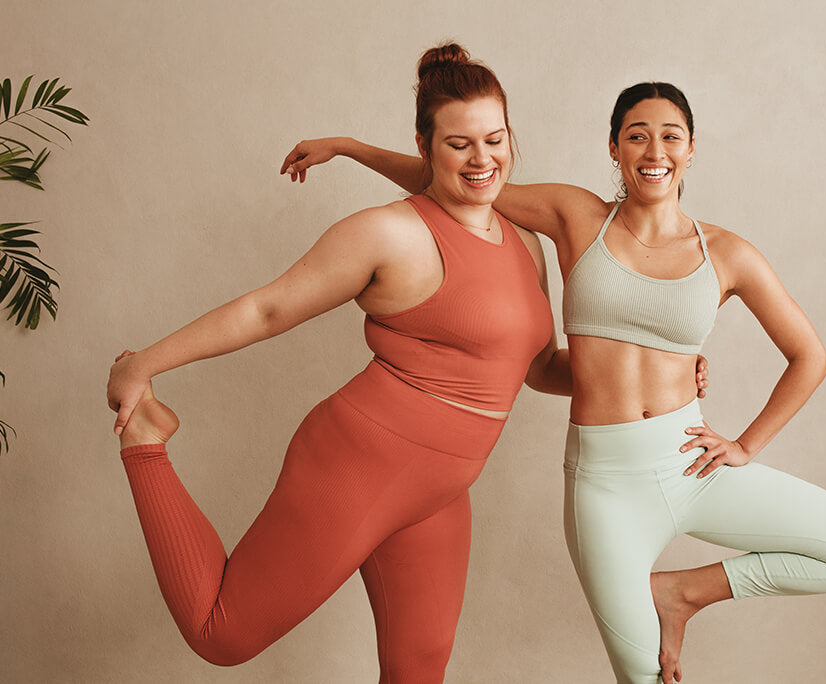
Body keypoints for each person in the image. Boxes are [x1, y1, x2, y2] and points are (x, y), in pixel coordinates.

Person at [282, 81, 826, 684]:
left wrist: (746, 445)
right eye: (637, 136)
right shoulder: (577, 216)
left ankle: (682, 593)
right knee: (642, 676)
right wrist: (350, 147)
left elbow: (808, 356)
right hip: (606, 484)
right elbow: (460, 181)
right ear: (614, 148)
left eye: (670, 137)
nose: (654, 152)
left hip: (690, 463)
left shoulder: (729, 253)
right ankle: (666, 600)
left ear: (691, 149)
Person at [106, 43, 572, 683]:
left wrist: (659, 379)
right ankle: (147, 445)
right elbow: (266, 310)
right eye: (459, 144)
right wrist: (143, 366)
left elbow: (541, 370)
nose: (482, 158)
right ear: (424, 144)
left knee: (418, 672)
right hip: (363, 460)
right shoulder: (389, 234)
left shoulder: (526, 244)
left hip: (442, 489)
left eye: (494, 139)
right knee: (224, 633)